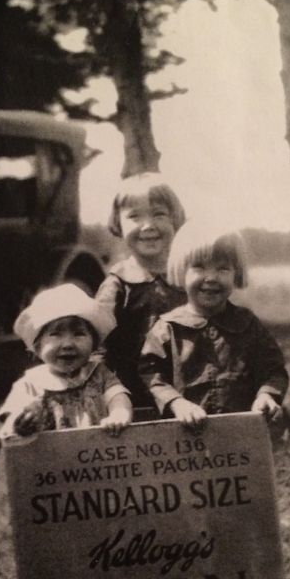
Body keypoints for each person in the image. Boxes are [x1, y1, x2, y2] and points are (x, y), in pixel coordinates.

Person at [138, 220, 289, 430]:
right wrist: (176, 403)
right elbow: (150, 375)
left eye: (222, 269)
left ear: (236, 273)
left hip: (241, 435)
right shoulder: (167, 328)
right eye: (199, 267)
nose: (211, 278)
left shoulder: (248, 324)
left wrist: (266, 395)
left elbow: (273, 370)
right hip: (185, 439)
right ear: (182, 271)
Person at [95, 172, 188, 410]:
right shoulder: (117, 286)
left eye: (159, 214)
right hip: (135, 404)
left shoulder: (189, 278)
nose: (148, 226)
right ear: (118, 224)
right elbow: (98, 349)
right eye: (134, 217)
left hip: (192, 400)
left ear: (175, 219)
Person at [0, 283, 132, 439]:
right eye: (55, 334)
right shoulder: (31, 384)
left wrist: (119, 413)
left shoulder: (99, 374)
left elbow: (118, 396)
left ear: (94, 343)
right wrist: (20, 422)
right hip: (51, 457)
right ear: (38, 344)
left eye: (79, 334)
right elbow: (13, 417)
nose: (68, 344)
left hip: (95, 453)